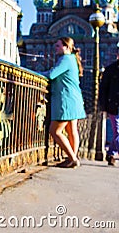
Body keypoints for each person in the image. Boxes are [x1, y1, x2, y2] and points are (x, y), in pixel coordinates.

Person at [41, 37, 86, 168]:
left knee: (55, 131)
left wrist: (38, 73)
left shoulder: (65, 59)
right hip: (74, 99)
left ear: (66, 47)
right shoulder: (72, 59)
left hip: (65, 99)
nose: (55, 47)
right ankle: (72, 158)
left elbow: (51, 75)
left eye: (58, 46)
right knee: (72, 130)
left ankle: (72, 158)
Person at [99, 47, 119, 166]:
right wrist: (104, 106)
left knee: (117, 133)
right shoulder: (111, 69)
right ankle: (111, 153)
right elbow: (103, 89)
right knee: (117, 131)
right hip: (114, 105)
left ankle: (111, 153)